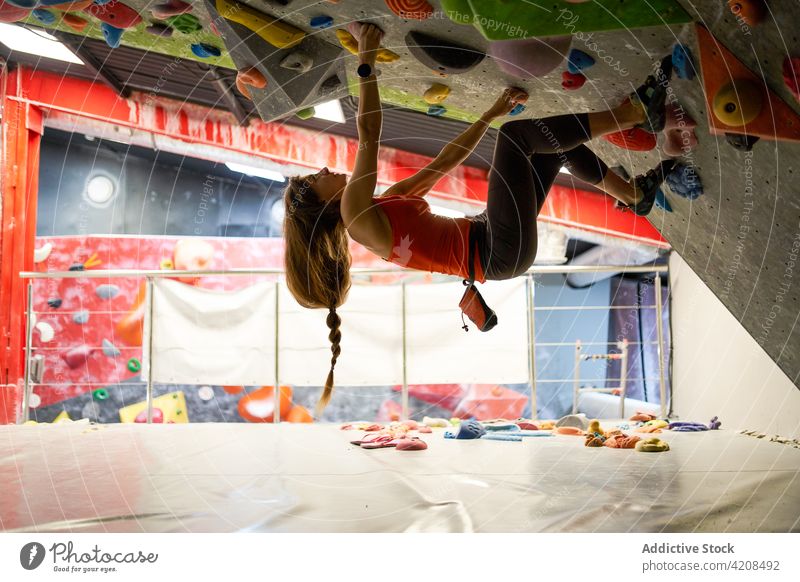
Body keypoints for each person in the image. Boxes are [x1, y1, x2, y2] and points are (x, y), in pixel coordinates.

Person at [283, 23, 676, 412]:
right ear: (321, 205)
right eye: (315, 180)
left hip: (493, 240)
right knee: (517, 138)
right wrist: (365, 60)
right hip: (495, 250)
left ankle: (633, 194)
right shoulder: (356, 216)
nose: (322, 170)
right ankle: (632, 113)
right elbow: (369, 131)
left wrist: (492, 112)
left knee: (550, 148)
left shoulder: (382, 207)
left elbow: (445, 162)